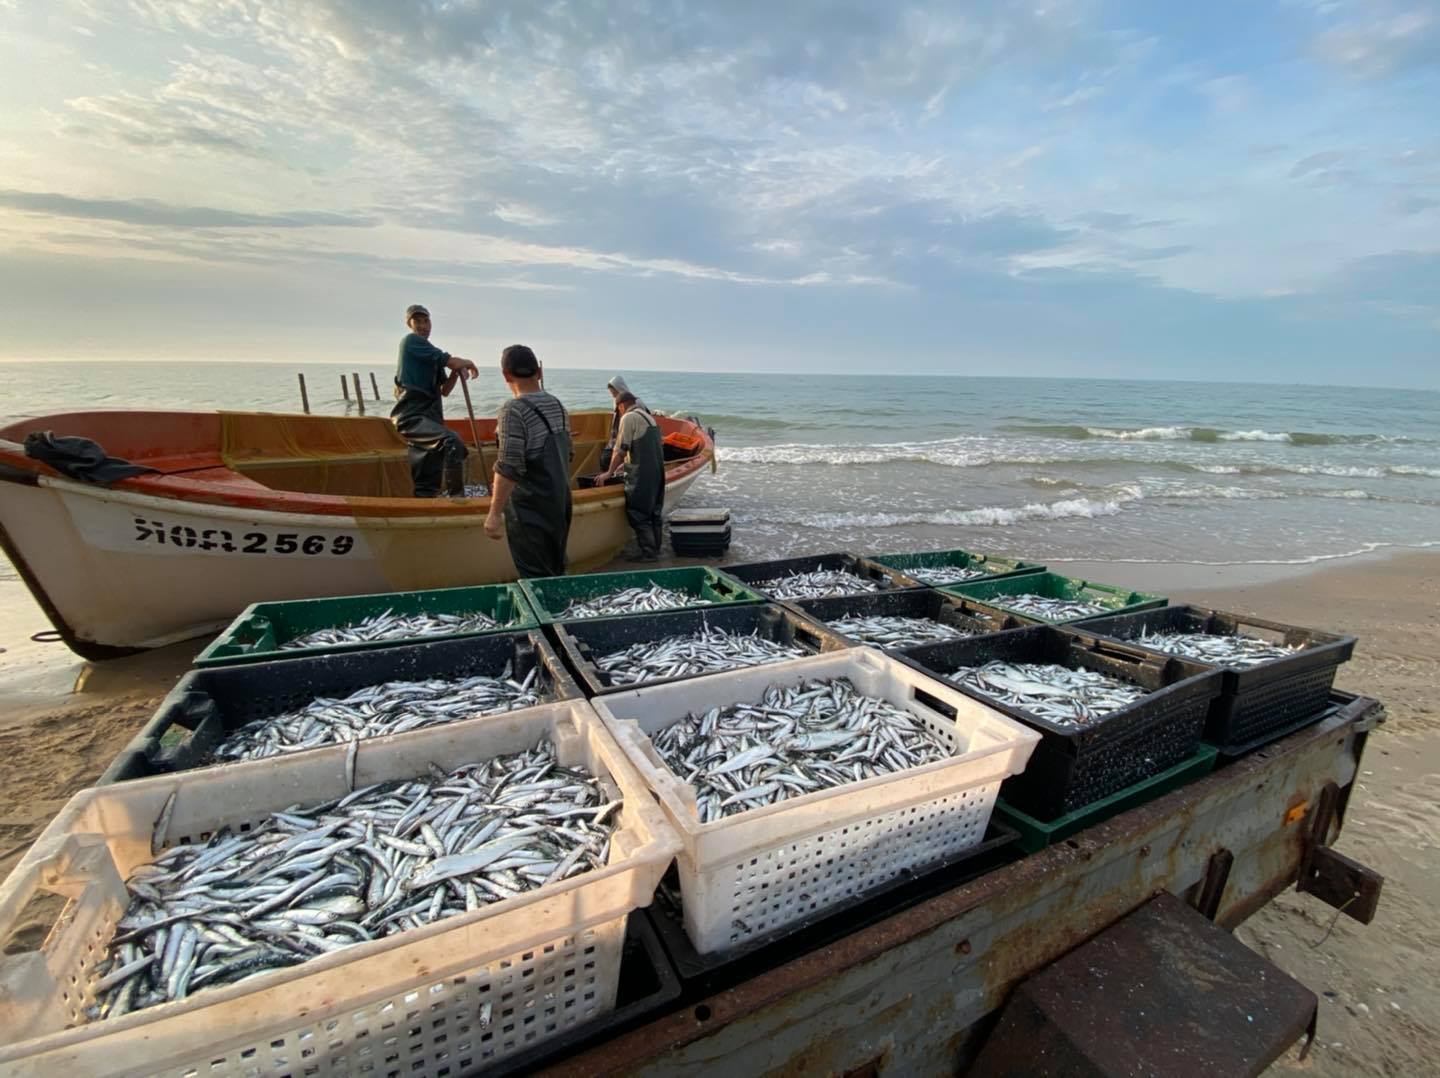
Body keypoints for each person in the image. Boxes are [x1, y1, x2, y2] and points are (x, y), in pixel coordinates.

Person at [484, 345, 573, 577]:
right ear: (539, 372)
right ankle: (559, 610)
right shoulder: (558, 405)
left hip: (530, 513)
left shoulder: (513, 410)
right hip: (560, 505)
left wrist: (494, 513)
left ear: (505, 375)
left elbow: (509, 467)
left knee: (536, 577)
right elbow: (567, 455)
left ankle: (547, 612)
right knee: (555, 569)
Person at [390, 304, 479, 498]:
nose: (423, 326)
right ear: (409, 324)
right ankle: (457, 499)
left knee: (426, 483)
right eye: (417, 321)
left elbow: (444, 390)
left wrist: (455, 374)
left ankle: (427, 510)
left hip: (430, 418)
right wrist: (467, 363)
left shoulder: (429, 352)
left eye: (426, 321)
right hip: (411, 417)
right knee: (452, 441)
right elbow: (453, 361)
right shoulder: (411, 341)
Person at [596, 392, 664, 560]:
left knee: (638, 513)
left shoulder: (628, 418)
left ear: (621, 406)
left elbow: (620, 450)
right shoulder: (648, 417)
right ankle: (656, 549)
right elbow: (643, 448)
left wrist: (609, 473)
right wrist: (624, 466)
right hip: (657, 473)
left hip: (642, 475)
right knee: (654, 513)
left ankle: (649, 553)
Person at [599, 375, 646, 472]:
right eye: (612, 393)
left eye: (615, 393)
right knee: (604, 458)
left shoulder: (637, 402)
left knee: (611, 458)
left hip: (632, 437)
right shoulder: (615, 401)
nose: (613, 396)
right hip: (617, 436)